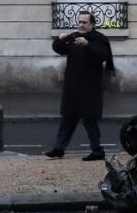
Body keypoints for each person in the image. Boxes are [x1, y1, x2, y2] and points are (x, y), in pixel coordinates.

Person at [44, 10, 114, 161]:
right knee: (67, 118)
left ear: (92, 24)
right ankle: (59, 148)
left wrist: (87, 44)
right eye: (80, 22)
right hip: (73, 86)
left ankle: (97, 150)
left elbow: (103, 55)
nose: (81, 25)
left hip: (89, 88)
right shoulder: (74, 37)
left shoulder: (99, 39)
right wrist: (60, 39)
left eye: (84, 22)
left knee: (90, 120)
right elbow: (59, 49)